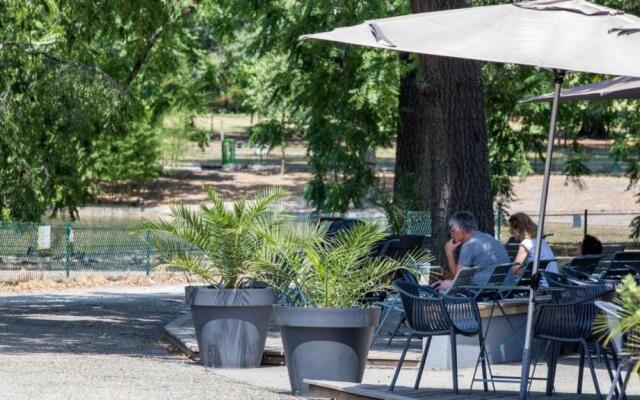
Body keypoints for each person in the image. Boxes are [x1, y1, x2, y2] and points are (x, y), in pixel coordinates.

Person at [433, 211, 510, 292]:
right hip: (504, 289)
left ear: (461, 229)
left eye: (452, 231)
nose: (451, 235)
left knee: (442, 286)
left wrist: (449, 253)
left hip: (487, 292)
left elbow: (458, 281)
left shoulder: (470, 244)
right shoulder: (488, 237)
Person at [508, 212, 558, 278]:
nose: (511, 233)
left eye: (511, 230)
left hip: (541, 283)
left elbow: (514, 269)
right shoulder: (541, 241)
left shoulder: (526, 244)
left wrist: (527, 273)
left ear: (518, 229)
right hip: (554, 281)